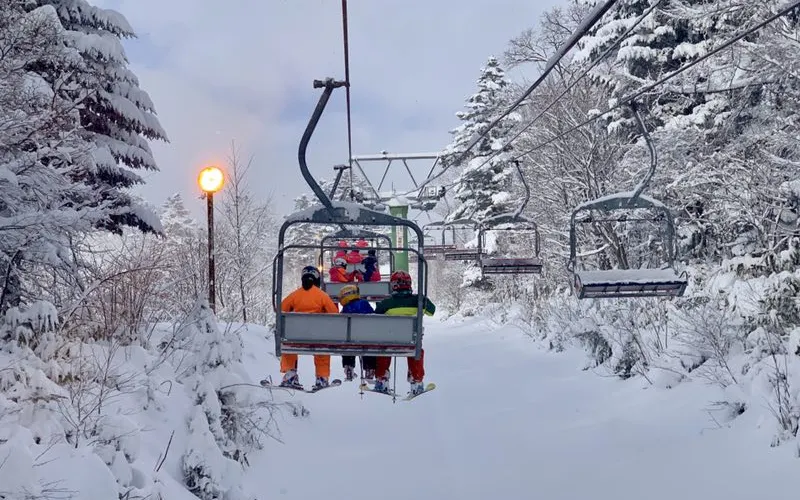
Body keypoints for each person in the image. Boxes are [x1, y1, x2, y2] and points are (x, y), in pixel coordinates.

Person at [373, 270, 435, 395]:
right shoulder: (418, 300)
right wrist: (422, 300)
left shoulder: (386, 303)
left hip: (390, 341)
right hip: (411, 341)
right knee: (416, 351)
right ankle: (416, 380)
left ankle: (381, 379)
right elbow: (431, 311)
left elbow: (376, 319)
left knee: (382, 350)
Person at [279, 266, 338, 389]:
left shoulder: (295, 295)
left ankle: (290, 374)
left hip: (297, 335)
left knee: (288, 347)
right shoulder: (322, 295)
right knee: (322, 350)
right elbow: (334, 313)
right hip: (317, 335)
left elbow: (282, 308)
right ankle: (321, 378)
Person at [336, 284, 376, 381]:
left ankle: (348, 366)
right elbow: (373, 315)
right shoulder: (364, 303)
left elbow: (341, 322)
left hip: (351, 337)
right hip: (366, 336)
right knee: (369, 348)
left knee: (347, 346)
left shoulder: (346, 308)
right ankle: (369, 369)